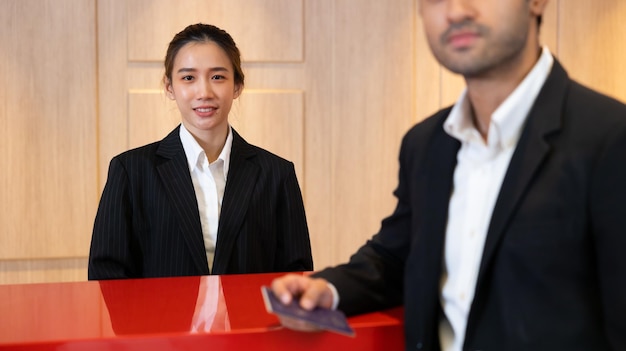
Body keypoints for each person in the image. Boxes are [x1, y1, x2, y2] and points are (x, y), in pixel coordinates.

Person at [271, 0, 626, 350]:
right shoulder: (426, 144)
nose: (456, 11)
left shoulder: (610, 138)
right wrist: (330, 289)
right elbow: (397, 256)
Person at [89, 23, 313, 280]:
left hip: (251, 321)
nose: (204, 92)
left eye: (217, 77)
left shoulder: (277, 174)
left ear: (237, 85)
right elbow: (106, 276)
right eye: (188, 78)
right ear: (169, 87)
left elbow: (297, 276)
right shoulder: (131, 171)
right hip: (160, 321)